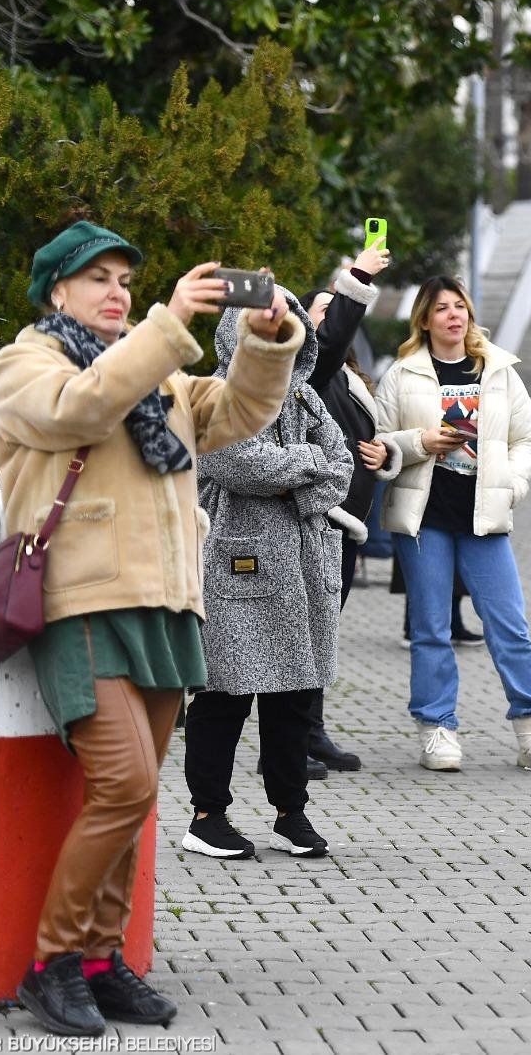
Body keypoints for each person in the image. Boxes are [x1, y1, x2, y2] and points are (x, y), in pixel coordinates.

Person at [0, 222, 300, 1035]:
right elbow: (81, 407)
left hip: (166, 605)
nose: (117, 292)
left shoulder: (155, 368)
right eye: (98, 278)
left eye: (125, 280)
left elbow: (237, 411)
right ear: (57, 290)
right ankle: (51, 963)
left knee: (135, 796)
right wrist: (170, 321)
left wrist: (264, 343)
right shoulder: (27, 362)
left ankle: (100, 959)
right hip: (82, 601)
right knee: (125, 783)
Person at [183, 289, 355, 863]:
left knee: (295, 696)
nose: (277, 332)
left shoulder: (306, 396)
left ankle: (290, 812)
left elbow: (343, 466)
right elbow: (235, 462)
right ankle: (207, 816)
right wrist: (307, 467)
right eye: (265, 323)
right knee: (224, 693)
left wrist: (295, 481)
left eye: (286, 323)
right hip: (237, 562)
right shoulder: (216, 394)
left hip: (304, 565)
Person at [375, 275, 531, 774]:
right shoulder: (402, 374)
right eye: (441, 308)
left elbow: (528, 439)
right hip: (425, 518)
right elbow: (378, 443)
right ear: (424, 319)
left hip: (484, 518)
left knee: (510, 626)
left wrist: (512, 485)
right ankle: (437, 729)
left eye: (459, 306)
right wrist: (421, 442)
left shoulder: (498, 370)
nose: (453, 315)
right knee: (431, 629)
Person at [298, 243, 400, 774]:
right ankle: (287, 741)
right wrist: (357, 277)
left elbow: (371, 435)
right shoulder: (305, 372)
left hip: (347, 522)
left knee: (323, 631)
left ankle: (310, 731)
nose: (331, 315)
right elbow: (332, 338)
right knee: (300, 633)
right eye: (323, 308)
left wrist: (385, 453)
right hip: (315, 520)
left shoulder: (347, 377)